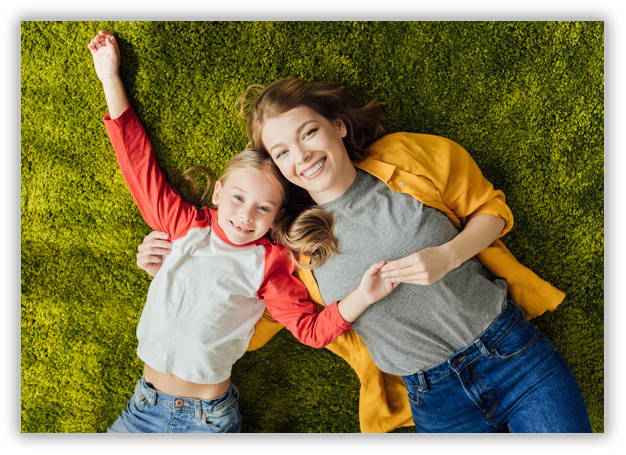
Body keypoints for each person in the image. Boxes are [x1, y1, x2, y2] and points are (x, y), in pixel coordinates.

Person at [141, 77, 593, 433]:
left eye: (309, 132)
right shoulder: (288, 246)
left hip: (512, 357)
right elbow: (245, 322)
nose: (301, 155)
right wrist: (177, 269)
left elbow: (491, 210)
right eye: (282, 152)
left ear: (337, 126)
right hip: (433, 396)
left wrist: (449, 255)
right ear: (278, 167)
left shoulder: (408, 156)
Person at [89, 31, 397, 433]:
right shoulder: (184, 225)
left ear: (276, 216)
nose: (245, 215)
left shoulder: (269, 264)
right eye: (237, 197)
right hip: (142, 407)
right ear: (218, 191)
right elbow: (137, 167)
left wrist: (362, 297)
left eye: (263, 208)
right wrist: (110, 80)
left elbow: (309, 331)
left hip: (207, 419)